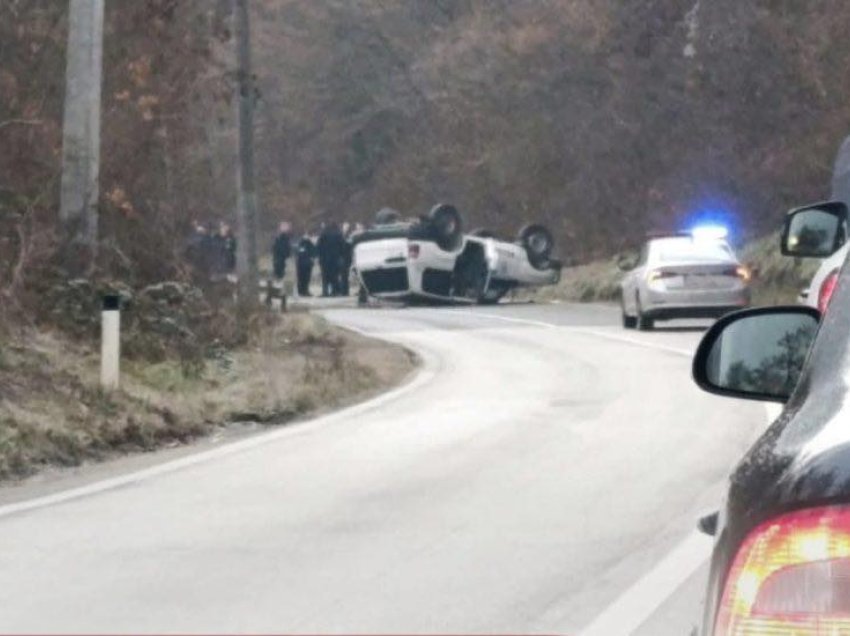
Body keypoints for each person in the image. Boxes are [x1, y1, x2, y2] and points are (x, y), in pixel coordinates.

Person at [317, 221, 345, 296]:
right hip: (335, 258)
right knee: (335, 276)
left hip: (325, 258)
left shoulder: (323, 233)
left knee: (325, 276)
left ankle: (325, 292)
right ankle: (334, 291)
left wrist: (319, 256)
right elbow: (342, 246)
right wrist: (341, 256)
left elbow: (319, 246)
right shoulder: (339, 234)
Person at [296, 232, 317, 296]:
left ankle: (304, 291)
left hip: (304, 264)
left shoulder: (307, 244)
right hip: (303, 264)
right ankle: (302, 291)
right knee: (303, 278)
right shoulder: (302, 243)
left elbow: (314, 253)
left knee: (305, 279)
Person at [338, 221, 353, 296]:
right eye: (345, 226)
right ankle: (343, 290)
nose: (345, 228)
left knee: (344, 275)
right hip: (343, 257)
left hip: (346, 257)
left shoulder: (348, 236)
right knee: (343, 275)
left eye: (347, 226)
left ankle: (345, 291)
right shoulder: (341, 235)